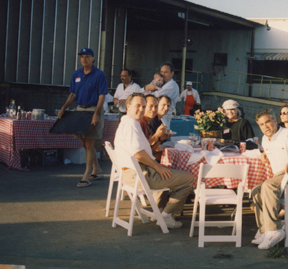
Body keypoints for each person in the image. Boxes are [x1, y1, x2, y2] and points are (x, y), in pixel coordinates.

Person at [114, 93, 194, 229]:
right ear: (128, 106)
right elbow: (138, 153)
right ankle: (167, 216)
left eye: (143, 106)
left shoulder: (126, 122)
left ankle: (161, 209)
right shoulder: (131, 124)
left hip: (131, 175)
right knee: (188, 178)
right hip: (140, 176)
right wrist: (158, 167)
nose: (141, 109)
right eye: (137, 106)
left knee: (172, 172)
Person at [251, 109, 288, 250]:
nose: (265, 126)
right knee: (255, 191)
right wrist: (264, 154)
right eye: (261, 124)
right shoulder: (265, 139)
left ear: (275, 121)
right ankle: (265, 230)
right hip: (280, 178)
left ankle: (274, 230)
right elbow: (273, 150)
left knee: (268, 186)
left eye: (268, 122)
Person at [58, 47, 108, 188]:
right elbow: (73, 94)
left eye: (87, 56)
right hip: (79, 110)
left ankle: (86, 175)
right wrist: (64, 107)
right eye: (82, 57)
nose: (84, 59)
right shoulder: (77, 74)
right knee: (84, 143)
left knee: (90, 143)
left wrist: (96, 114)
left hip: (92, 110)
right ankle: (97, 170)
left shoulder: (99, 75)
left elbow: (102, 95)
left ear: (93, 58)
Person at [144, 62, 179, 128]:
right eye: (161, 72)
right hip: (156, 116)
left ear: (172, 73)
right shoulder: (161, 83)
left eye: (165, 72)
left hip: (163, 117)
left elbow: (153, 96)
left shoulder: (172, 85)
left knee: (161, 135)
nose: (162, 74)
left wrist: (147, 89)